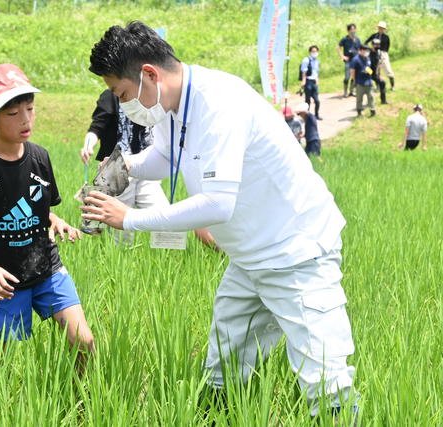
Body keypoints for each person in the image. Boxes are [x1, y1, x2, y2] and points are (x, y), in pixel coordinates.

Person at [83, 21, 358, 418]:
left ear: (149, 75)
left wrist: (129, 219)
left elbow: (217, 205)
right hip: (248, 255)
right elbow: (165, 157)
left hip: (296, 251)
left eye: (122, 94)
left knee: (325, 379)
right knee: (224, 364)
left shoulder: (219, 103)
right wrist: (123, 168)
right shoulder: (170, 105)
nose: (123, 104)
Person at [0, 64, 94, 359]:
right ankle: (0, 407)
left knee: (83, 341)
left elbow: (40, 209)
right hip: (0, 283)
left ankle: (82, 402)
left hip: (46, 269)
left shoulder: (40, 157)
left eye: (30, 108)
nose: (25, 119)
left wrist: (56, 221)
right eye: (13, 114)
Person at [82, 89, 216, 247]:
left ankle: (167, 259)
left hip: (147, 163)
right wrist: (88, 144)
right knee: (120, 226)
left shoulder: (151, 95)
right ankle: (121, 261)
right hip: (116, 167)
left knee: (162, 212)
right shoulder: (111, 95)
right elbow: (97, 126)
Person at [364, 21, 394, 90]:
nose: (381, 29)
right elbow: (366, 42)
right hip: (374, 54)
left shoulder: (386, 37)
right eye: (380, 28)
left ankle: (392, 86)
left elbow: (387, 48)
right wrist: (370, 48)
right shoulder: (374, 35)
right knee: (375, 70)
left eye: (382, 28)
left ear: (384, 29)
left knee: (388, 69)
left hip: (383, 53)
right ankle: (378, 86)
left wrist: (381, 53)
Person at [350, 45, 375, 117]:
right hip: (360, 82)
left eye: (368, 51)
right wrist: (354, 80)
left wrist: (369, 72)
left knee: (371, 97)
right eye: (365, 50)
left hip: (368, 82)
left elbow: (369, 68)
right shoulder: (355, 59)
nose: (367, 52)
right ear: (360, 50)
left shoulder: (368, 58)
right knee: (359, 98)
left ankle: (372, 111)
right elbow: (352, 71)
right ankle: (359, 112)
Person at [337, 24, 361, 98]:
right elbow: (337, 48)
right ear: (348, 31)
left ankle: (352, 91)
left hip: (356, 61)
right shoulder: (345, 39)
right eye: (351, 29)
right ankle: (345, 92)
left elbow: (359, 49)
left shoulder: (357, 39)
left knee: (355, 77)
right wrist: (342, 56)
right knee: (347, 77)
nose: (353, 31)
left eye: (354, 29)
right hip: (348, 61)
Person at [300, 45, 322, 120]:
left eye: (316, 51)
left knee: (317, 100)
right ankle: (307, 116)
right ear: (310, 52)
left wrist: (317, 80)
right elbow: (304, 71)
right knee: (307, 100)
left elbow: (316, 72)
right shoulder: (306, 60)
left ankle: (316, 115)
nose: (315, 53)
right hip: (308, 81)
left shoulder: (317, 61)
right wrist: (303, 81)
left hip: (314, 82)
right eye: (313, 51)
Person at [369, 38, 388, 105]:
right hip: (369, 73)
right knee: (368, 88)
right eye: (376, 45)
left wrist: (378, 74)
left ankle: (383, 100)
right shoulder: (369, 53)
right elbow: (365, 65)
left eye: (379, 44)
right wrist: (370, 74)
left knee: (382, 83)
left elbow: (379, 63)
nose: (378, 46)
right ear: (372, 45)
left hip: (375, 73)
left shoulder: (378, 52)